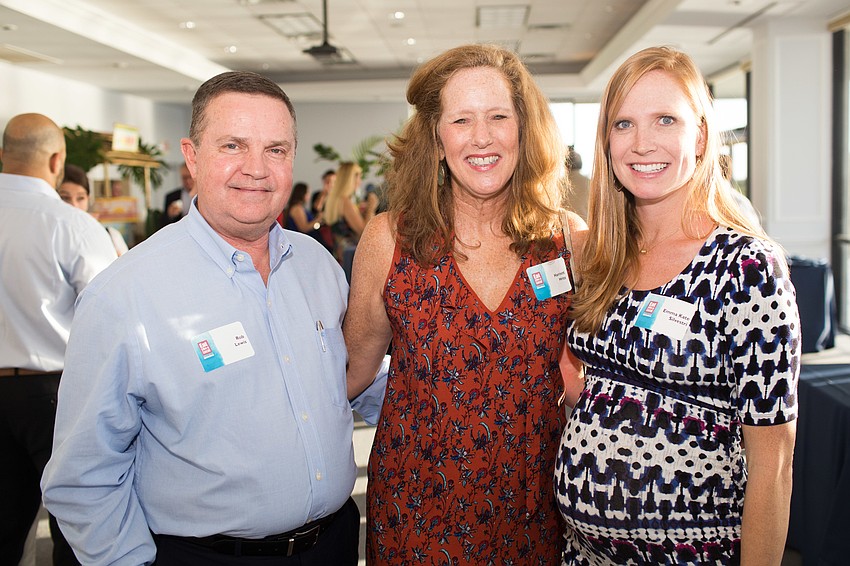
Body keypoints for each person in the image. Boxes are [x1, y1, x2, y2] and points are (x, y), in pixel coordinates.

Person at [42, 71, 380, 566]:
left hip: (331, 545)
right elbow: (83, 476)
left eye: (276, 150)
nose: (256, 169)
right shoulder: (126, 294)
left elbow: (350, 376)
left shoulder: (317, 266)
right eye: (233, 146)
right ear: (192, 155)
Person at [554, 46, 799, 565]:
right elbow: (595, 379)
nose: (642, 143)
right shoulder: (599, 254)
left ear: (702, 135)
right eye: (623, 124)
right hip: (582, 555)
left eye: (666, 119)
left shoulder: (746, 268)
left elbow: (773, 461)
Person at [344, 44, 585, 564]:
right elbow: (351, 371)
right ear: (435, 138)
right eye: (461, 120)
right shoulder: (390, 240)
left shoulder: (568, 241)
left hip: (535, 512)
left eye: (499, 116)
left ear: (524, 129)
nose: (482, 137)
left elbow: (586, 381)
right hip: (418, 517)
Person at [0, 113, 117, 566]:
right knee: (76, 523)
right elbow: (109, 317)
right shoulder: (71, 224)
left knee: (5, 528)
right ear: (56, 160)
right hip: (53, 392)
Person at [60, 163, 130, 256]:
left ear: (88, 199)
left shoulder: (111, 235)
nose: (74, 205)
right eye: (65, 198)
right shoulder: (53, 238)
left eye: (80, 198)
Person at [322, 161, 379, 262]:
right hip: (350, 256)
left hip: (339, 254)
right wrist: (371, 207)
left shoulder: (334, 199)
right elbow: (364, 232)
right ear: (351, 178)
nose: (360, 181)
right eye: (359, 177)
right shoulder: (345, 202)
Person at [566, 146, 590, 221]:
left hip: (565, 228)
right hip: (586, 225)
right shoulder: (589, 182)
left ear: (566, 165)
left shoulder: (558, 184)